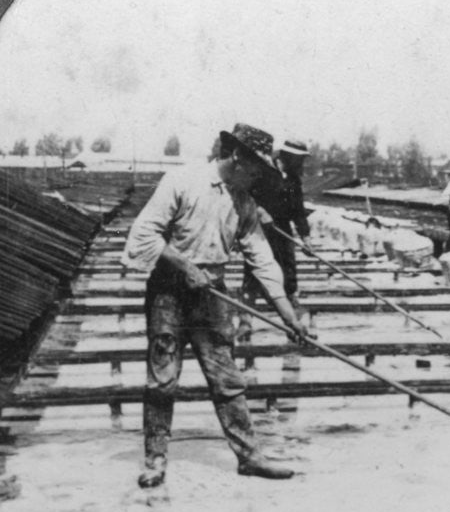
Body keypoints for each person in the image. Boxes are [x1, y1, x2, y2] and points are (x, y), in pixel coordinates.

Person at [122, 123, 313, 488]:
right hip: (168, 292)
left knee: (227, 379)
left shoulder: (243, 202)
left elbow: (263, 260)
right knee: (163, 379)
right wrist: (186, 267)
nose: (259, 177)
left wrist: (289, 317)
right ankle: (155, 459)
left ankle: (249, 456)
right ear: (237, 157)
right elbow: (144, 235)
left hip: (212, 294)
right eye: (256, 168)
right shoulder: (182, 181)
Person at [241, 136, 312, 308]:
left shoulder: (294, 179)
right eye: (299, 158)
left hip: (282, 229)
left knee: (288, 267)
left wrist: (306, 237)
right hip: (259, 229)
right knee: (255, 268)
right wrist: (260, 211)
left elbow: (298, 210)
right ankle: (247, 312)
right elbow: (245, 195)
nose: (301, 162)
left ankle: (291, 306)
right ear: (287, 155)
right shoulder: (263, 170)